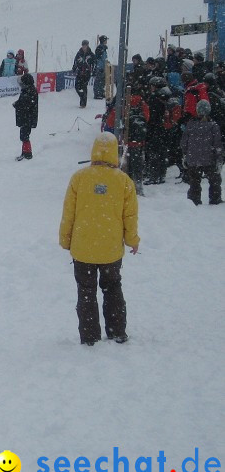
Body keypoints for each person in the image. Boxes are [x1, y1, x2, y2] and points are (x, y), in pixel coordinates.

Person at [59, 133, 139, 346]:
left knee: (86, 292)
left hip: (83, 248)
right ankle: (117, 332)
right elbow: (129, 216)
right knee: (113, 288)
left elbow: (69, 213)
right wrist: (132, 240)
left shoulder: (79, 178)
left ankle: (90, 337)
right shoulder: (124, 181)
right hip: (110, 249)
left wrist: (65, 240)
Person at [180, 100, 222, 206]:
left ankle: (194, 200)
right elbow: (217, 144)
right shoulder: (213, 125)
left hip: (193, 159)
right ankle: (215, 199)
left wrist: (185, 154)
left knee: (194, 181)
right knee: (215, 180)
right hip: (209, 159)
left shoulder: (190, 124)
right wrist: (219, 158)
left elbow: (184, 142)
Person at [13, 73, 38, 161]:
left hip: (27, 118)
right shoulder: (29, 90)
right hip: (26, 118)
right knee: (24, 135)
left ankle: (27, 154)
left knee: (24, 136)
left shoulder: (29, 91)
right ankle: (25, 152)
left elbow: (25, 103)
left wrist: (17, 104)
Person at [72, 40, 95, 108]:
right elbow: (75, 61)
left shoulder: (91, 54)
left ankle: (83, 103)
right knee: (77, 87)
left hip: (87, 73)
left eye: (85, 45)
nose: (84, 47)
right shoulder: (79, 53)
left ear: (87, 46)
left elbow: (94, 63)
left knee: (84, 86)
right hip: (79, 72)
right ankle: (82, 96)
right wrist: (74, 68)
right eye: (83, 45)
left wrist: (93, 71)